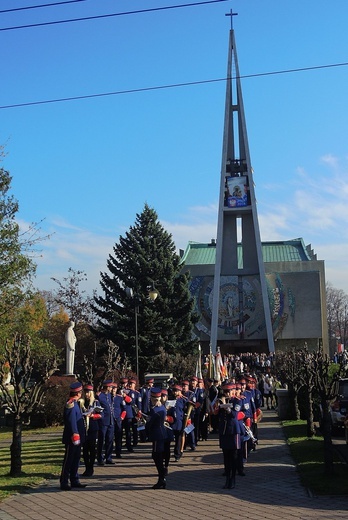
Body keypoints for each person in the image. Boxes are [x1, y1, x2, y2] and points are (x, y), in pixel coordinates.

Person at [60, 381, 87, 491]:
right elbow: (71, 421)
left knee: (76, 459)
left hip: (78, 436)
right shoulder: (70, 404)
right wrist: (75, 434)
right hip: (73, 437)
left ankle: (74, 479)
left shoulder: (76, 403)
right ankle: (64, 481)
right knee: (68, 460)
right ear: (79, 393)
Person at [217, 382, 244, 489]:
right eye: (224, 391)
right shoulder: (222, 400)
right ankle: (227, 478)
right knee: (226, 457)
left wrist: (225, 406)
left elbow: (233, 415)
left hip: (233, 431)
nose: (226, 393)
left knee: (233, 456)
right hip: (224, 432)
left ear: (233, 391)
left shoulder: (237, 401)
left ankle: (232, 479)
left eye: (228, 391)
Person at [146, 387, 168, 489]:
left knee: (156, 456)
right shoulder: (162, 407)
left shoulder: (154, 410)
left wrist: (145, 423)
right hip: (162, 433)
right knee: (158, 456)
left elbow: (149, 424)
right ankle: (162, 477)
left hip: (156, 434)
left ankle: (161, 478)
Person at [80, 384, 102, 477]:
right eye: (85, 392)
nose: (87, 394)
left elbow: (101, 415)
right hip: (84, 427)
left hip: (93, 427)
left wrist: (92, 416)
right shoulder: (81, 402)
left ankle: (91, 467)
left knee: (92, 448)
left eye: (88, 392)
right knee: (85, 449)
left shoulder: (95, 402)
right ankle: (86, 467)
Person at [97, 380, 115, 465]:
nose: (112, 389)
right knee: (101, 440)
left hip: (111, 420)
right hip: (103, 421)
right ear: (107, 387)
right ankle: (100, 458)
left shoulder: (110, 395)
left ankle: (108, 457)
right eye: (111, 387)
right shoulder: (100, 396)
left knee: (110, 440)